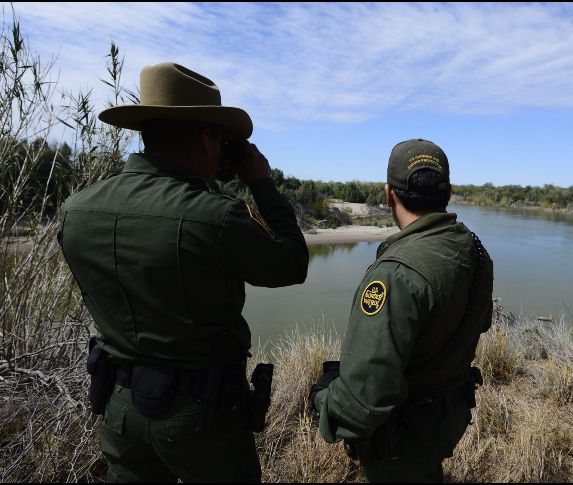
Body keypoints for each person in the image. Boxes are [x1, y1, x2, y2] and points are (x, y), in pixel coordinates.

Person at [57, 62, 309, 482]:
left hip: (120, 407)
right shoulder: (216, 217)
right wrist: (261, 183)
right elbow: (292, 264)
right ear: (206, 137)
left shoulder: (77, 211)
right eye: (220, 140)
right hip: (202, 415)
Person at [310, 139, 494, 482]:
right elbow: (478, 324)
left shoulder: (395, 275)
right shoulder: (473, 250)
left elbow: (364, 400)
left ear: (388, 194)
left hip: (401, 441)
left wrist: (323, 400)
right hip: (443, 421)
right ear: (449, 192)